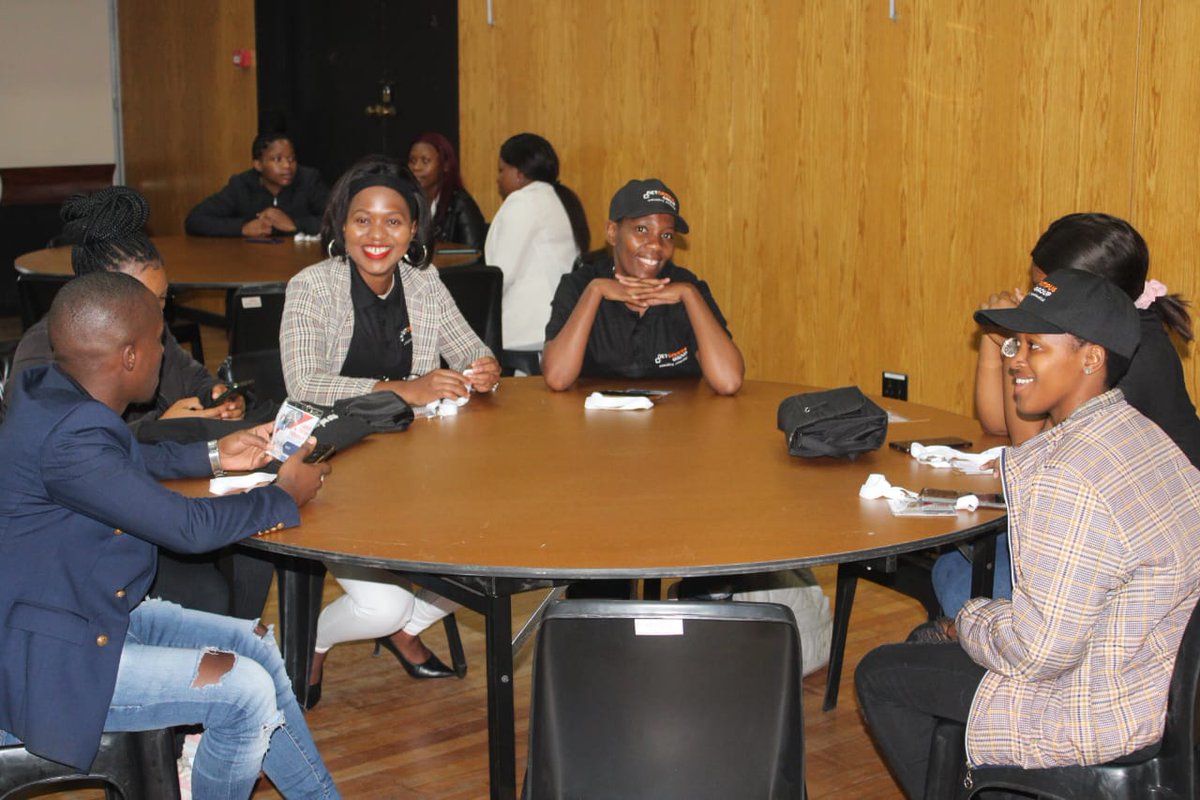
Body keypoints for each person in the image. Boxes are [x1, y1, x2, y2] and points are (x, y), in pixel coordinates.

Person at [855, 268, 1200, 799]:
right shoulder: (1146, 437)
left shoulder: (1068, 474)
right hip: (1155, 684)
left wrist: (966, 621)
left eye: (1035, 346)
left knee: (882, 674)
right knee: (923, 655)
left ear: (1091, 358)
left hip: (1097, 704)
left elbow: (1039, 653)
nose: (1014, 357)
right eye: (1016, 342)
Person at [0, 270, 338, 799]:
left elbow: (123, 458)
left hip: (88, 615)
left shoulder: (51, 394)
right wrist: (284, 494)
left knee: (257, 647)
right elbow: (189, 528)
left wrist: (215, 452)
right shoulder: (72, 437)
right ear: (130, 356)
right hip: (53, 664)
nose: (164, 352)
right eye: (159, 340)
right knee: (243, 691)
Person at [280, 155, 501, 705]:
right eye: (362, 220)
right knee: (381, 604)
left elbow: (473, 350)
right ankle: (310, 642)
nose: (377, 235)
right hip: (331, 463)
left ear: (414, 229)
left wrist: (485, 369)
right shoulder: (312, 286)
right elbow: (303, 381)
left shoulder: (423, 282)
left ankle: (407, 630)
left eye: (394, 221)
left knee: (492, 550)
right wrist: (405, 388)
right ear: (341, 226)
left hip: (418, 465)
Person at [12, 186, 275, 620]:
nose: (159, 314)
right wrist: (160, 422)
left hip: (161, 478)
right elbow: (71, 456)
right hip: (90, 524)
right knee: (209, 582)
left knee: (250, 542)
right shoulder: (44, 357)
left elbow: (191, 376)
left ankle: (238, 640)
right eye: (146, 301)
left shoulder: (147, 329)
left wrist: (218, 397)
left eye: (162, 300)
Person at [930, 212, 1200, 620]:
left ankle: (987, 663)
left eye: (1044, 290)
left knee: (958, 576)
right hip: (1121, 536)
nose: (1036, 301)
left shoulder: (1123, 357)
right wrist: (1000, 341)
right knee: (956, 561)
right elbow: (998, 423)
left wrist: (1017, 341)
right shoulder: (1101, 340)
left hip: (1146, 572)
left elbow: (1030, 446)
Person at [542, 178, 744, 396]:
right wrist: (595, 292)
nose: (656, 245)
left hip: (679, 425)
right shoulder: (579, 285)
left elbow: (728, 381)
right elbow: (558, 377)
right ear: (612, 232)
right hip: (594, 425)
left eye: (666, 235)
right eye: (642, 229)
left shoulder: (686, 286)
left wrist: (690, 295)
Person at [483, 132, 590, 358]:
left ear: (519, 174)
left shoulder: (522, 202)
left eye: (502, 170)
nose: (498, 179)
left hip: (525, 330)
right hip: (558, 322)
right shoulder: (557, 197)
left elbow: (500, 275)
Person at [185, 132, 329, 238]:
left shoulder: (308, 180)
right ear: (258, 165)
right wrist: (242, 228)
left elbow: (337, 221)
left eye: (292, 159)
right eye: (277, 159)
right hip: (251, 262)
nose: (287, 166)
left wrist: (295, 225)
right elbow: (195, 220)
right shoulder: (241, 185)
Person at [407, 131, 487, 249]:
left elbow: (473, 255)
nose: (416, 168)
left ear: (445, 165)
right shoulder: (406, 202)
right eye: (412, 161)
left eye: (425, 161)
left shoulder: (461, 204)